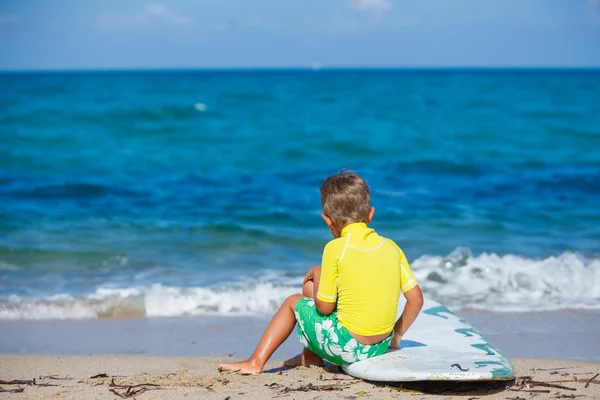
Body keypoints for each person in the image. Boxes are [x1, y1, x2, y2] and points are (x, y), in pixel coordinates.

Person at [217, 170, 423, 375]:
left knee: (293, 301)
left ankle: (255, 362)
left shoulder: (335, 248)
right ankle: (311, 357)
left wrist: (319, 274)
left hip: (346, 347)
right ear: (370, 213)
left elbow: (324, 308)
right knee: (312, 288)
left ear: (328, 220)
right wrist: (396, 336)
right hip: (378, 347)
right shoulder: (392, 247)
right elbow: (416, 299)